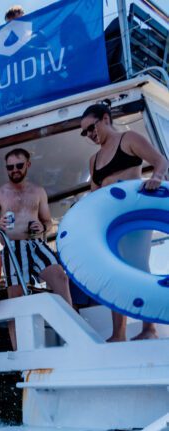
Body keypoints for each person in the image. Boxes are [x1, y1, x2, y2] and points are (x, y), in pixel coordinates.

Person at [80, 101, 168, 341]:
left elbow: (161, 161)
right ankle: (118, 333)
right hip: (111, 221)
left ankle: (149, 329)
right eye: (84, 132)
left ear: (105, 119)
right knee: (113, 271)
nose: (89, 134)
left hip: (133, 215)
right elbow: (95, 194)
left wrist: (157, 178)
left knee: (137, 266)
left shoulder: (128, 139)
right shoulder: (93, 160)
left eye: (91, 127)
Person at [0, 148, 72, 349]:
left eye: (19, 166)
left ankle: (71, 335)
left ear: (28, 164)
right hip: (13, 249)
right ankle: (21, 350)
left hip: (35, 244)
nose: (14, 170)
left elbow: (48, 222)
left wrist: (43, 226)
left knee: (60, 277)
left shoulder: (38, 191)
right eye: (10, 167)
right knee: (17, 299)